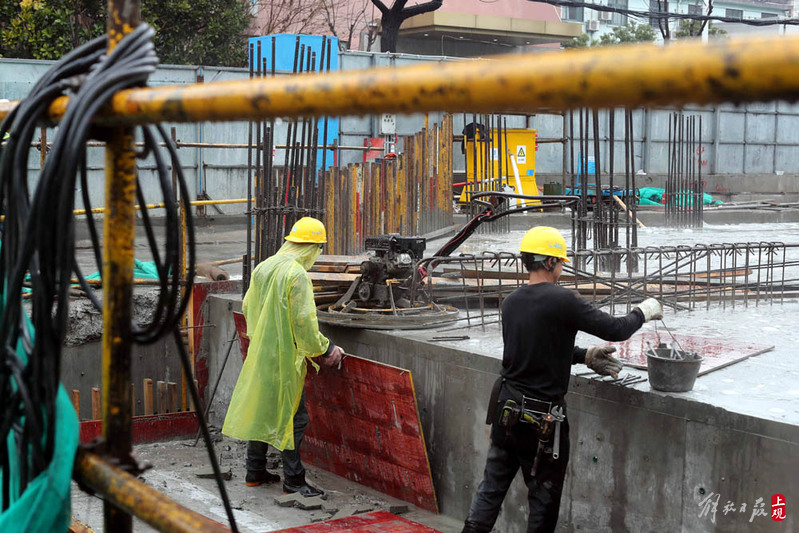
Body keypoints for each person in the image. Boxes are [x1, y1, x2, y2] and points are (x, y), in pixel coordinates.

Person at [461, 226, 663, 533]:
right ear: (549, 262)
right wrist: (642, 312)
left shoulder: (511, 302)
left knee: (490, 490)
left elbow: (533, 351)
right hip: (542, 420)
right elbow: (616, 330)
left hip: (506, 410)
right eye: (560, 262)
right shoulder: (563, 300)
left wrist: (584, 356)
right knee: (542, 499)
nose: (561, 268)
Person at [222, 217, 343, 497]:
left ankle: (254, 471)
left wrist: (263, 338)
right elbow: (304, 323)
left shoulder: (264, 267)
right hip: (285, 358)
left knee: (262, 409)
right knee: (294, 418)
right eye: (318, 249)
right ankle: (294, 480)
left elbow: (248, 305)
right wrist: (326, 349)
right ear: (311, 248)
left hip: (261, 353)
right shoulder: (296, 274)